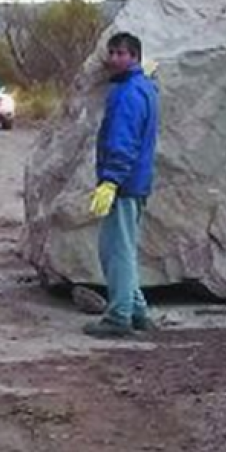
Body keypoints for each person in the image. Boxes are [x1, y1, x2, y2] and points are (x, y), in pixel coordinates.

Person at [85, 31, 160, 338]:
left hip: (125, 184)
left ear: (135, 57)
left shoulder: (129, 92)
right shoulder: (144, 87)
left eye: (122, 53)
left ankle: (119, 317)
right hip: (136, 182)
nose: (115, 59)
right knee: (124, 248)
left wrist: (111, 181)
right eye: (112, 52)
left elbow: (123, 141)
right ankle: (138, 311)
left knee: (116, 251)